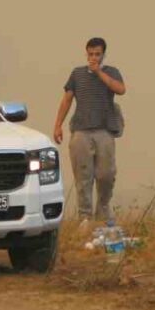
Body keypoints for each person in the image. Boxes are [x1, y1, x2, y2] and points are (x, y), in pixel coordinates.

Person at [53, 37, 126, 221]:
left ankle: (103, 210)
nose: (94, 57)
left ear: (103, 55)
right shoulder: (77, 74)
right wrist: (58, 125)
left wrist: (99, 72)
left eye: (97, 54)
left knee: (106, 174)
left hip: (104, 130)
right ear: (86, 53)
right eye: (91, 54)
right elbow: (67, 99)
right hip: (81, 131)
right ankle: (84, 217)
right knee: (83, 176)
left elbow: (121, 89)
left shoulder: (111, 71)